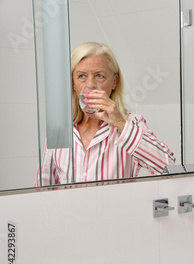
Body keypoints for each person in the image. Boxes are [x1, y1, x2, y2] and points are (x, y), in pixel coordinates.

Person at [35, 42, 175, 186]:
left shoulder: (131, 124)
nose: (90, 85)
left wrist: (121, 123)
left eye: (99, 76)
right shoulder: (60, 130)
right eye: (82, 76)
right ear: (72, 83)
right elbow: (44, 188)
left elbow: (170, 168)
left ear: (114, 82)